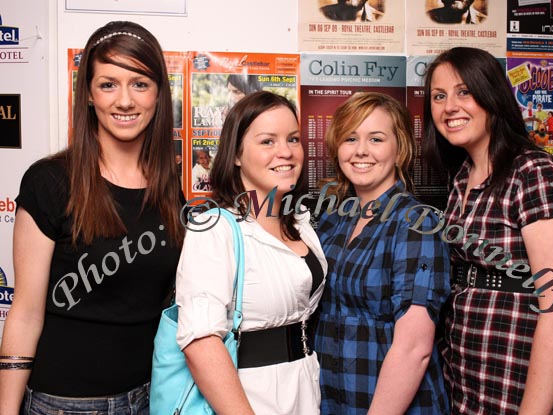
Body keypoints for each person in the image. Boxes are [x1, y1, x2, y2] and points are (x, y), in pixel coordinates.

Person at [0, 21, 185, 415]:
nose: (124, 101)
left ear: (158, 94)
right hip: (65, 403)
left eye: (139, 83)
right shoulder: (50, 182)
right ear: (87, 93)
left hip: (152, 396)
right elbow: (26, 312)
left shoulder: (168, 189)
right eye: (108, 84)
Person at [423, 46, 553, 414]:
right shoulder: (462, 178)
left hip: (517, 389)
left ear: (491, 95)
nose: (449, 107)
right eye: (439, 96)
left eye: (464, 91)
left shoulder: (533, 174)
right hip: (466, 384)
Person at [176, 91, 327, 414]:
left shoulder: (302, 221)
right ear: (236, 155)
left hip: (303, 389)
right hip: (249, 397)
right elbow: (199, 342)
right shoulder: (215, 227)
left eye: (293, 139)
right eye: (267, 142)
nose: (285, 152)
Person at [315, 92, 451, 414]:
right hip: (336, 399)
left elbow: (414, 348)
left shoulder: (416, 225)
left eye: (376, 139)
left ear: (399, 148)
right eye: (350, 138)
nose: (361, 150)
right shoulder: (333, 221)